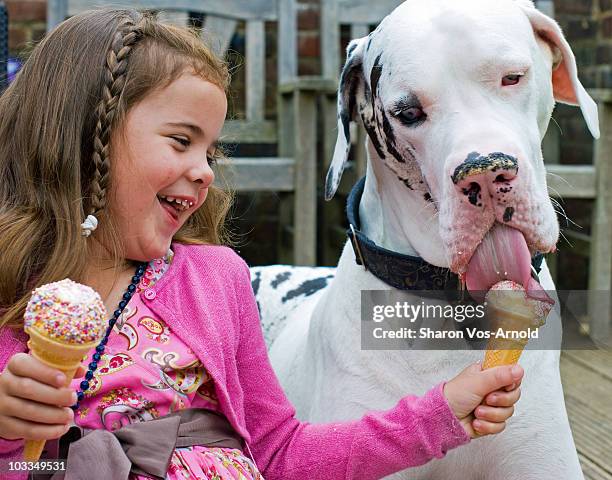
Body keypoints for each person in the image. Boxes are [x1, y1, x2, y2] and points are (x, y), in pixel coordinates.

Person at [0, 8, 524, 480]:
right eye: (182, 140)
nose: (204, 172)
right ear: (90, 134)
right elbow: (32, 464)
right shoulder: (12, 292)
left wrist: (439, 414)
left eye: (211, 150)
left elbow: (279, 452)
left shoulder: (214, 279)